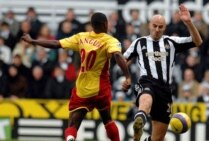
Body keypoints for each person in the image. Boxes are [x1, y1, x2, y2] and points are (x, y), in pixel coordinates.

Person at [22, 12, 131, 141]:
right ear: (106, 24)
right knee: (107, 119)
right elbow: (117, 56)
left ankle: (70, 138)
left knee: (73, 123)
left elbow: (56, 44)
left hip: (82, 89)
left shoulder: (81, 37)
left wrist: (33, 41)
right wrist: (127, 76)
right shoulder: (110, 40)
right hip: (101, 88)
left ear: (91, 25)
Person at [123, 4, 202, 141]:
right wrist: (127, 77)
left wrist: (189, 22)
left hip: (165, 90)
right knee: (146, 97)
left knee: (157, 139)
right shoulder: (139, 42)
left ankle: (142, 133)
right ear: (149, 25)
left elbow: (197, 41)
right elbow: (123, 60)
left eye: (160, 27)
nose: (157, 29)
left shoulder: (172, 42)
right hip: (146, 82)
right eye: (155, 25)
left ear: (165, 28)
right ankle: (140, 118)